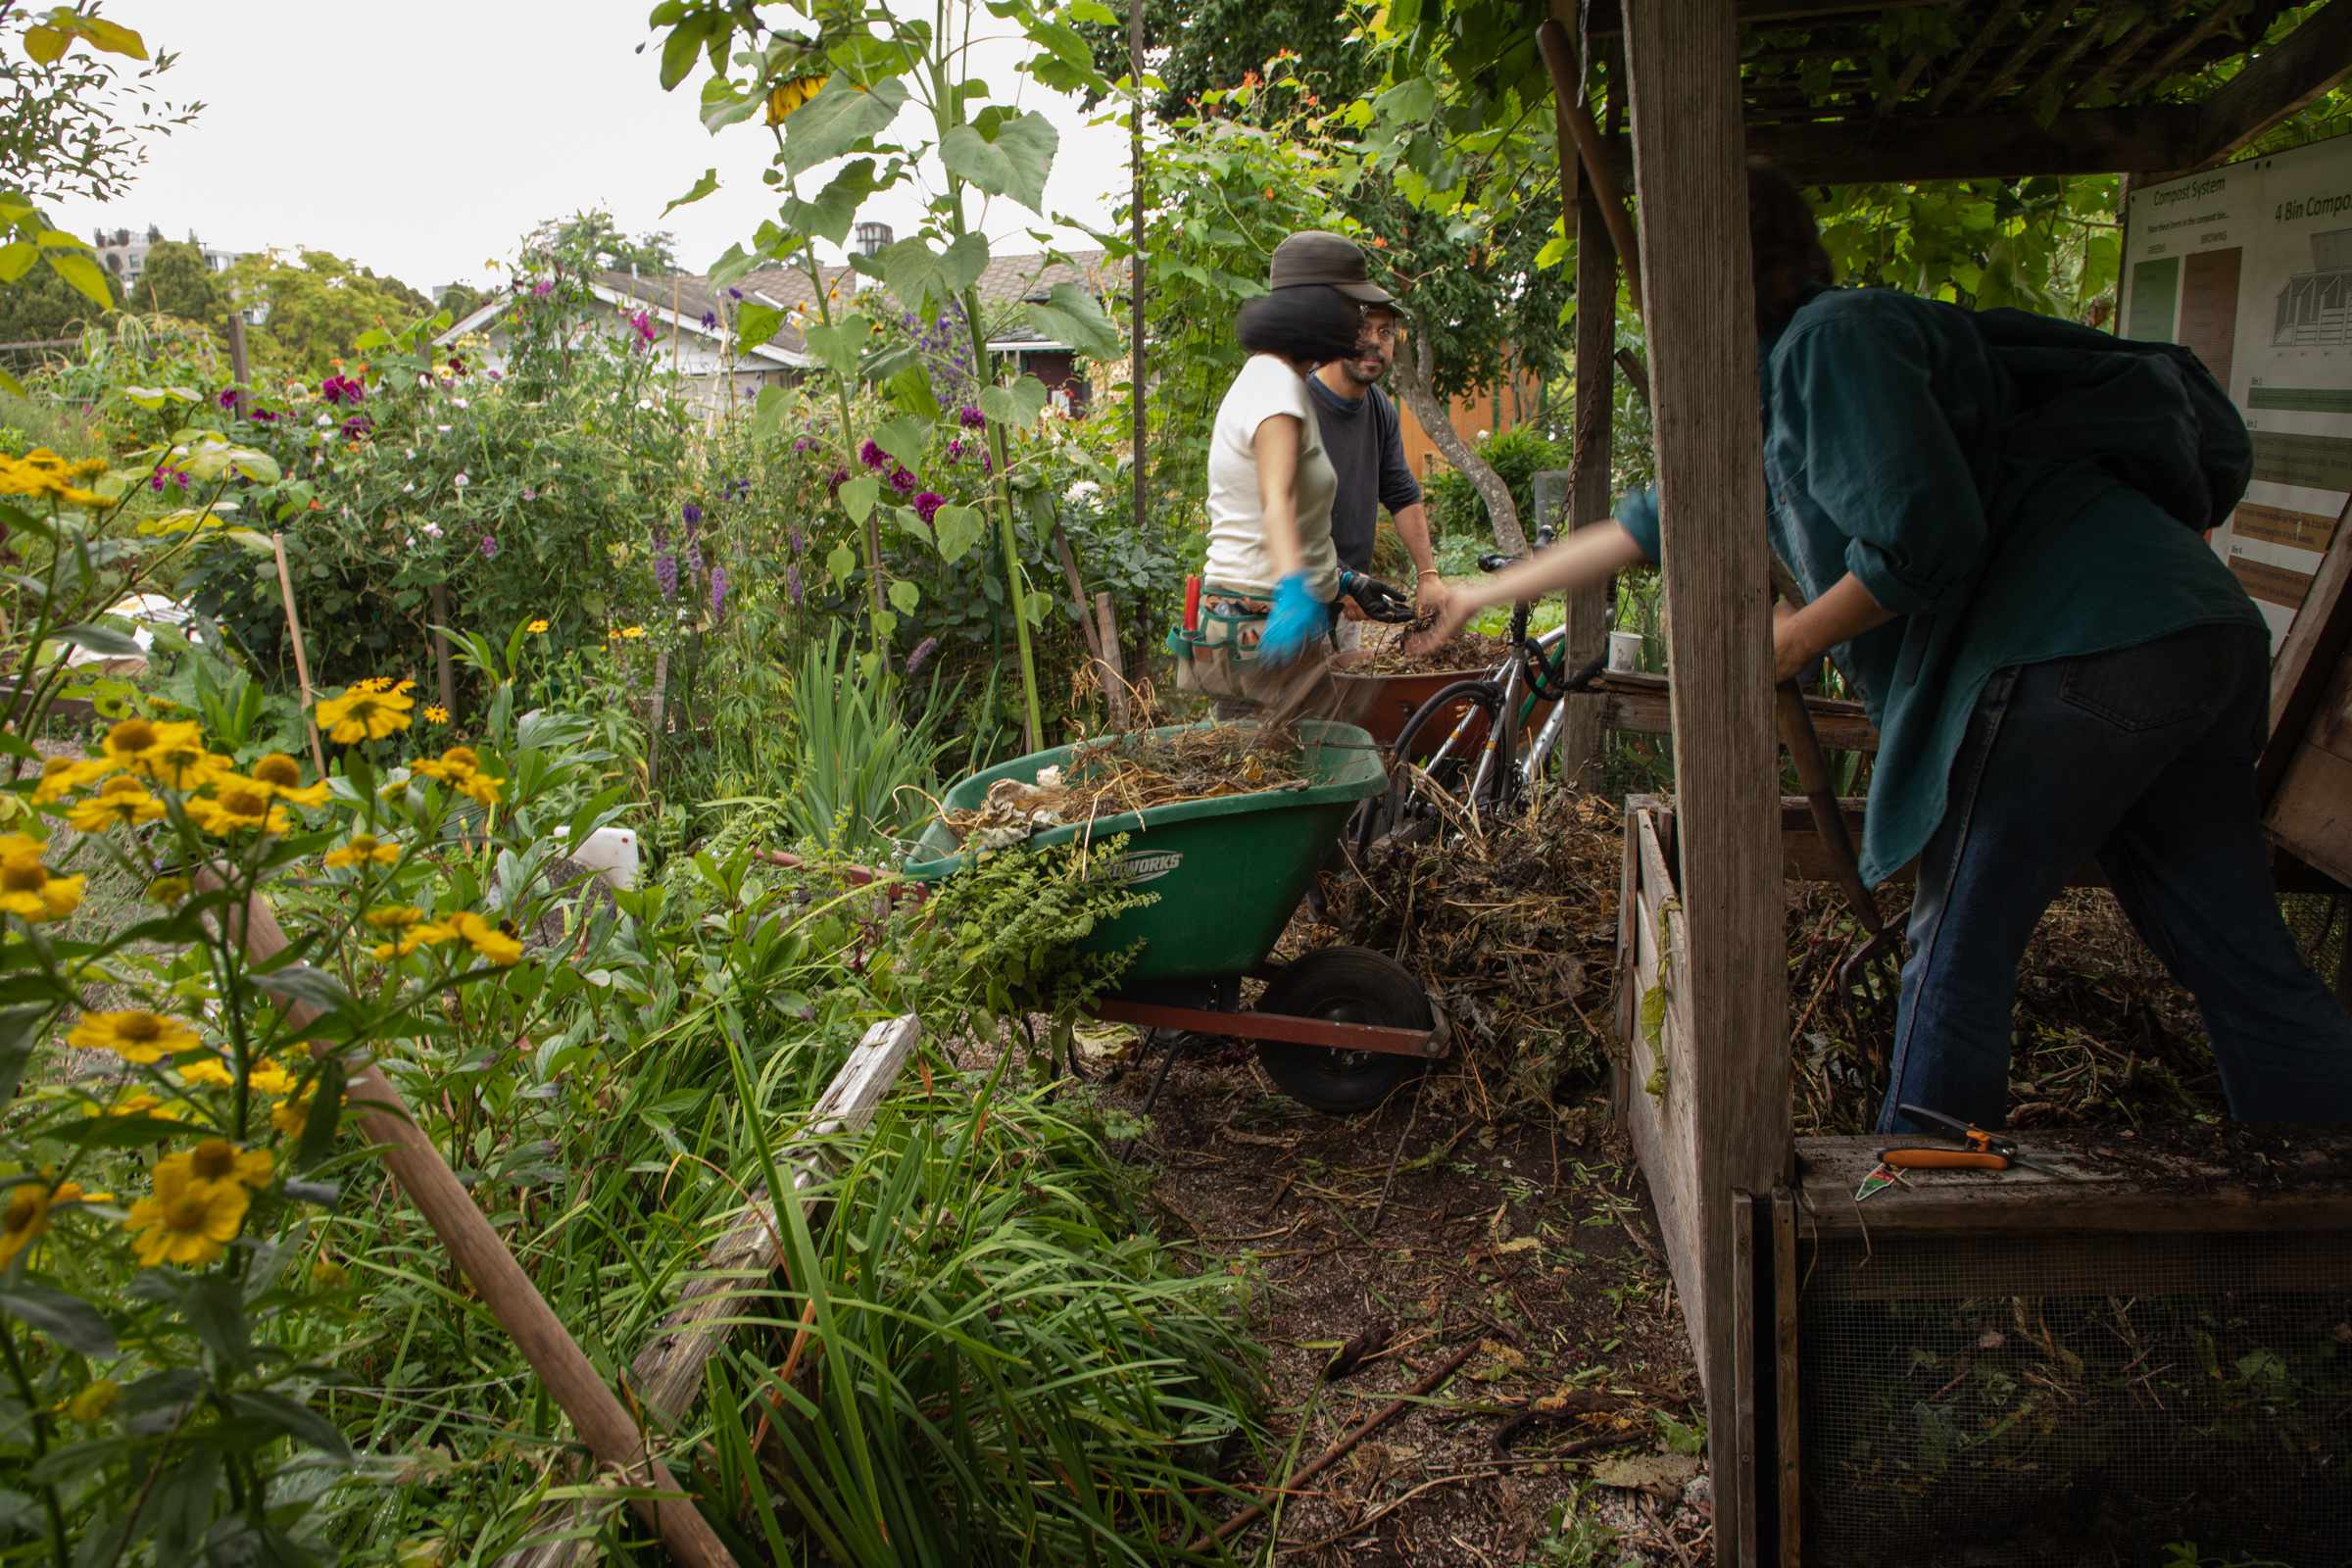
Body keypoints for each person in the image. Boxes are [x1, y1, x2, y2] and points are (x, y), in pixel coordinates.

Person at [1409, 162, 2352, 1134]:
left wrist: (1791, 641)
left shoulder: (1833, 341)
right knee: (2226, 940)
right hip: (2192, 633)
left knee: (1959, 936)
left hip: (2075, 643)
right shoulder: (1768, 394)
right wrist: (1482, 591)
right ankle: (2321, 1183)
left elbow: (1926, 536)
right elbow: (1651, 521)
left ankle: (1922, 1225)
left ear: (1713, 270)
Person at [1173, 282, 1370, 711]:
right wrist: (1295, 589)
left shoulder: (1258, 376)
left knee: (1240, 760)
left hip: (1230, 607)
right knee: (1302, 762)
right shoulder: (1279, 392)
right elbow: (1275, 498)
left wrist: (1341, 581)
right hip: (1265, 614)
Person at [1265, 232, 1452, 638]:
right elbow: (1279, 513)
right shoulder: (1293, 405)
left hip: (1348, 599)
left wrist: (1428, 574)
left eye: (1385, 333)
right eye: (1361, 330)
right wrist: (1340, 582)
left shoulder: (1380, 409)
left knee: (1347, 697)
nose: (1374, 343)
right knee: (1287, 701)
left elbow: (1401, 493)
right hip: (1286, 600)